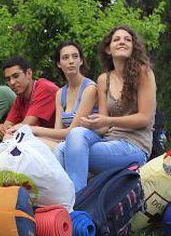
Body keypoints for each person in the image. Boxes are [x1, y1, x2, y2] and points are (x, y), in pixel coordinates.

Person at [54, 26, 156, 192]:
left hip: (135, 146)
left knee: (68, 151)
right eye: (117, 39)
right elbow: (104, 126)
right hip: (108, 141)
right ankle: (75, 199)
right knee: (74, 135)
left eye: (127, 39)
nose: (122, 41)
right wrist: (91, 123)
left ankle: (75, 202)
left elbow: (144, 118)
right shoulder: (104, 79)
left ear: (133, 47)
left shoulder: (143, 72)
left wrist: (108, 120)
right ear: (108, 49)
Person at [1, 42, 98, 150]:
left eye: (75, 56)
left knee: (22, 141)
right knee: (11, 139)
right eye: (65, 58)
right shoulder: (61, 93)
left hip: (84, 142)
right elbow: (58, 132)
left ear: (81, 61)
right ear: (59, 64)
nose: (71, 61)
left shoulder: (89, 89)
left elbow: (72, 132)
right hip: (65, 142)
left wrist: (29, 129)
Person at [0, 56, 58, 153]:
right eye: (8, 79)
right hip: (37, 142)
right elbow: (7, 127)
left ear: (29, 73)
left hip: (57, 144)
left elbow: (25, 126)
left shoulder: (44, 88)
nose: (12, 82)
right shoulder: (20, 98)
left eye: (16, 76)